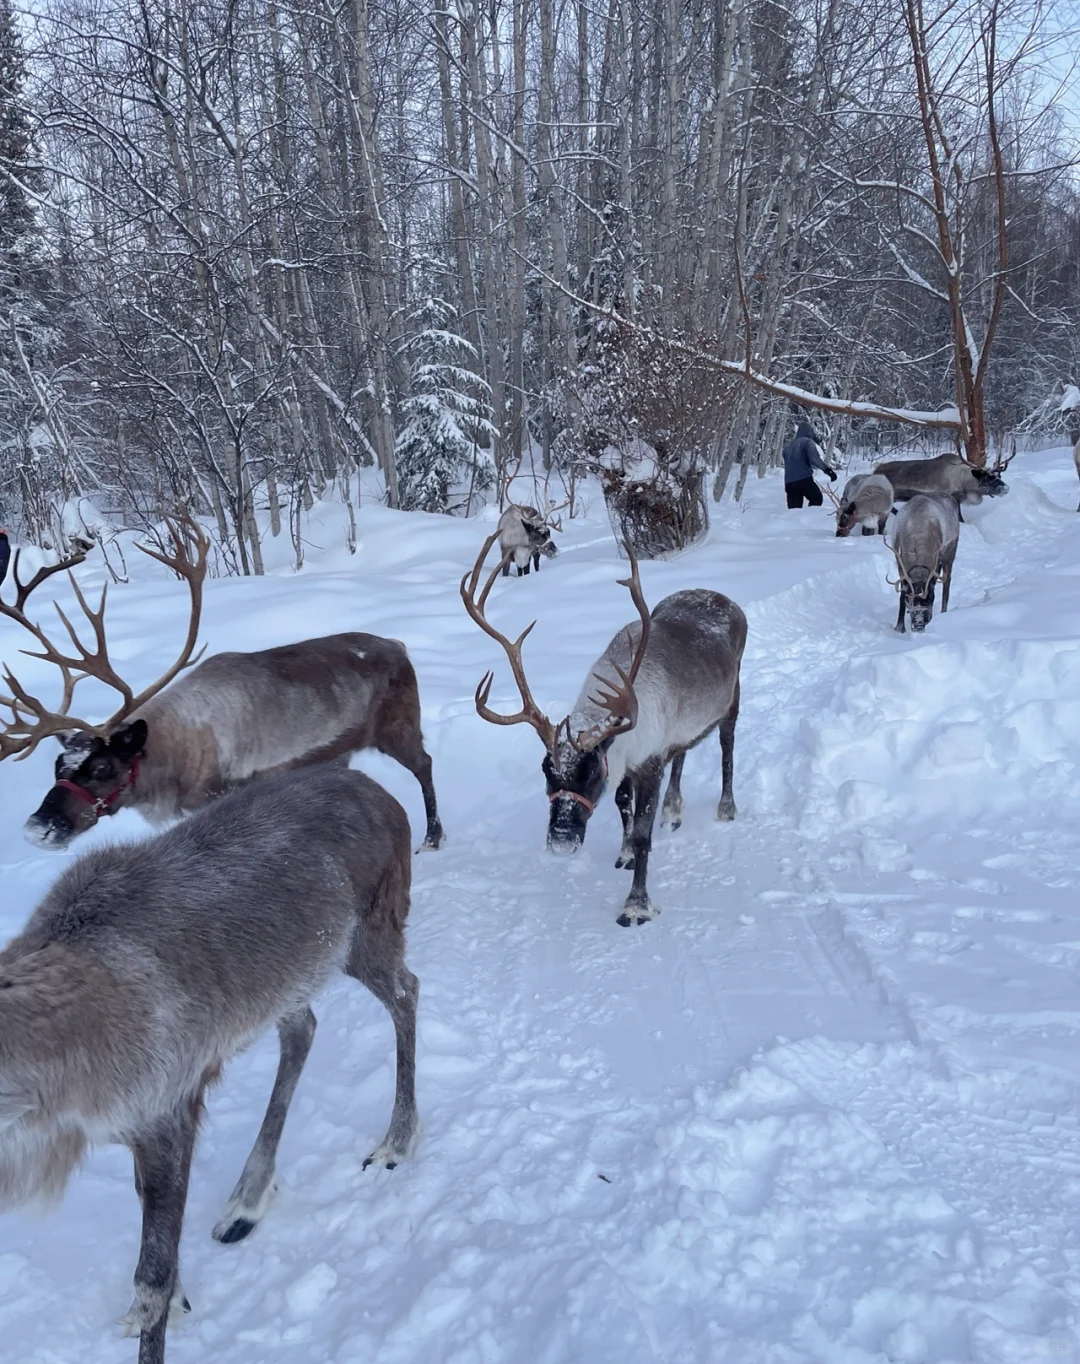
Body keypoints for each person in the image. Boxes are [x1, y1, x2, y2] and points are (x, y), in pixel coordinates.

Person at [783, 420, 837, 508]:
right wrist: (828, 471)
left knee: (794, 510)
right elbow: (814, 459)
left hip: (789, 483)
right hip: (804, 479)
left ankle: (794, 521)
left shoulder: (788, 446)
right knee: (816, 498)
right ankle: (810, 519)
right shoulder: (807, 442)